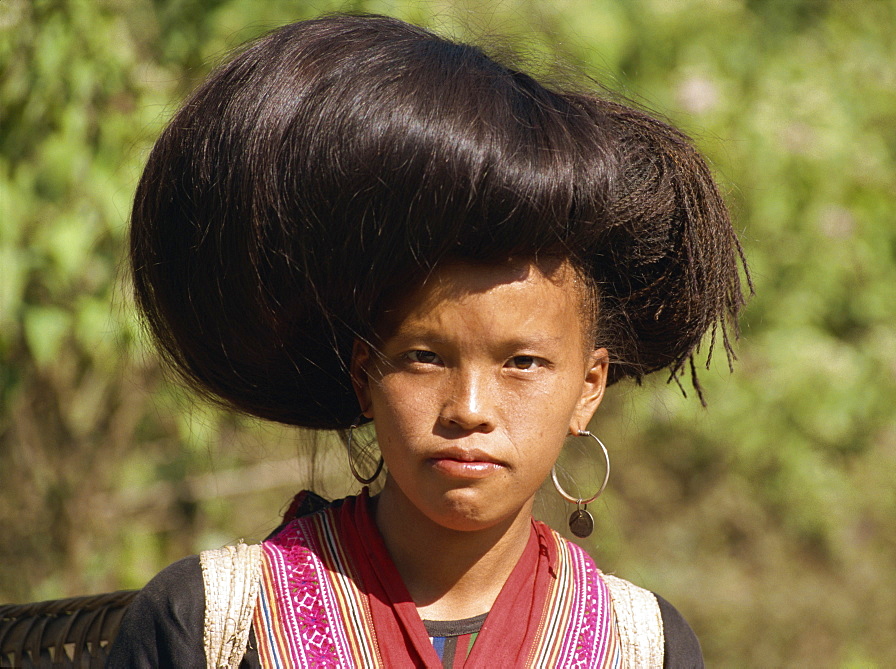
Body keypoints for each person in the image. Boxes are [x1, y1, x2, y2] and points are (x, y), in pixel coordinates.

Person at [108, 12, 748, 668]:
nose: (468, 407)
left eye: (523, 362)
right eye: (423, 356)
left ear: (589, 387)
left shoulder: (643, 645)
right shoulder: (209, 620)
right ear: (364, 374)